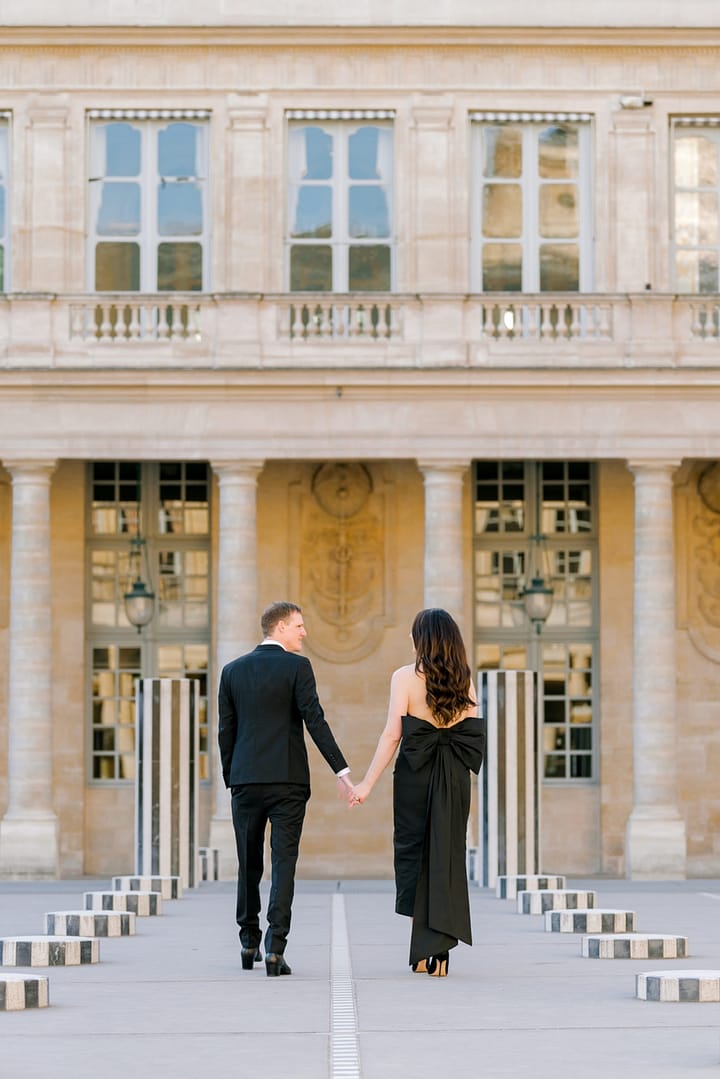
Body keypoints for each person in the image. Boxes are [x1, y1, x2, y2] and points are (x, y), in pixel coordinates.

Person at [218, 600, 353, 977]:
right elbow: (315, 720)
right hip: (289, 781)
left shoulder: (231, 672)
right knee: (283, 863)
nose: (304, 632)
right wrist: (341, 771)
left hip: (245, 780)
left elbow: (225, 732)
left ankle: (248, 941)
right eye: (298, 626)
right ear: (279, 628)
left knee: (248, 861)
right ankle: (275, 948)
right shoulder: (297, 667)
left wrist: (233, 777)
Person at [350, 608, 485, 977]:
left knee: (414, 852)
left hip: (416, 773)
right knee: (446, 854)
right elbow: (471, 731)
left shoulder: (404, 677)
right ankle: (438, 952)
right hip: (455, 775)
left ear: (420, 641)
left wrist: (366, 783)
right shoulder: (465, 680)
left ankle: (425, 950)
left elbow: (393, 734)